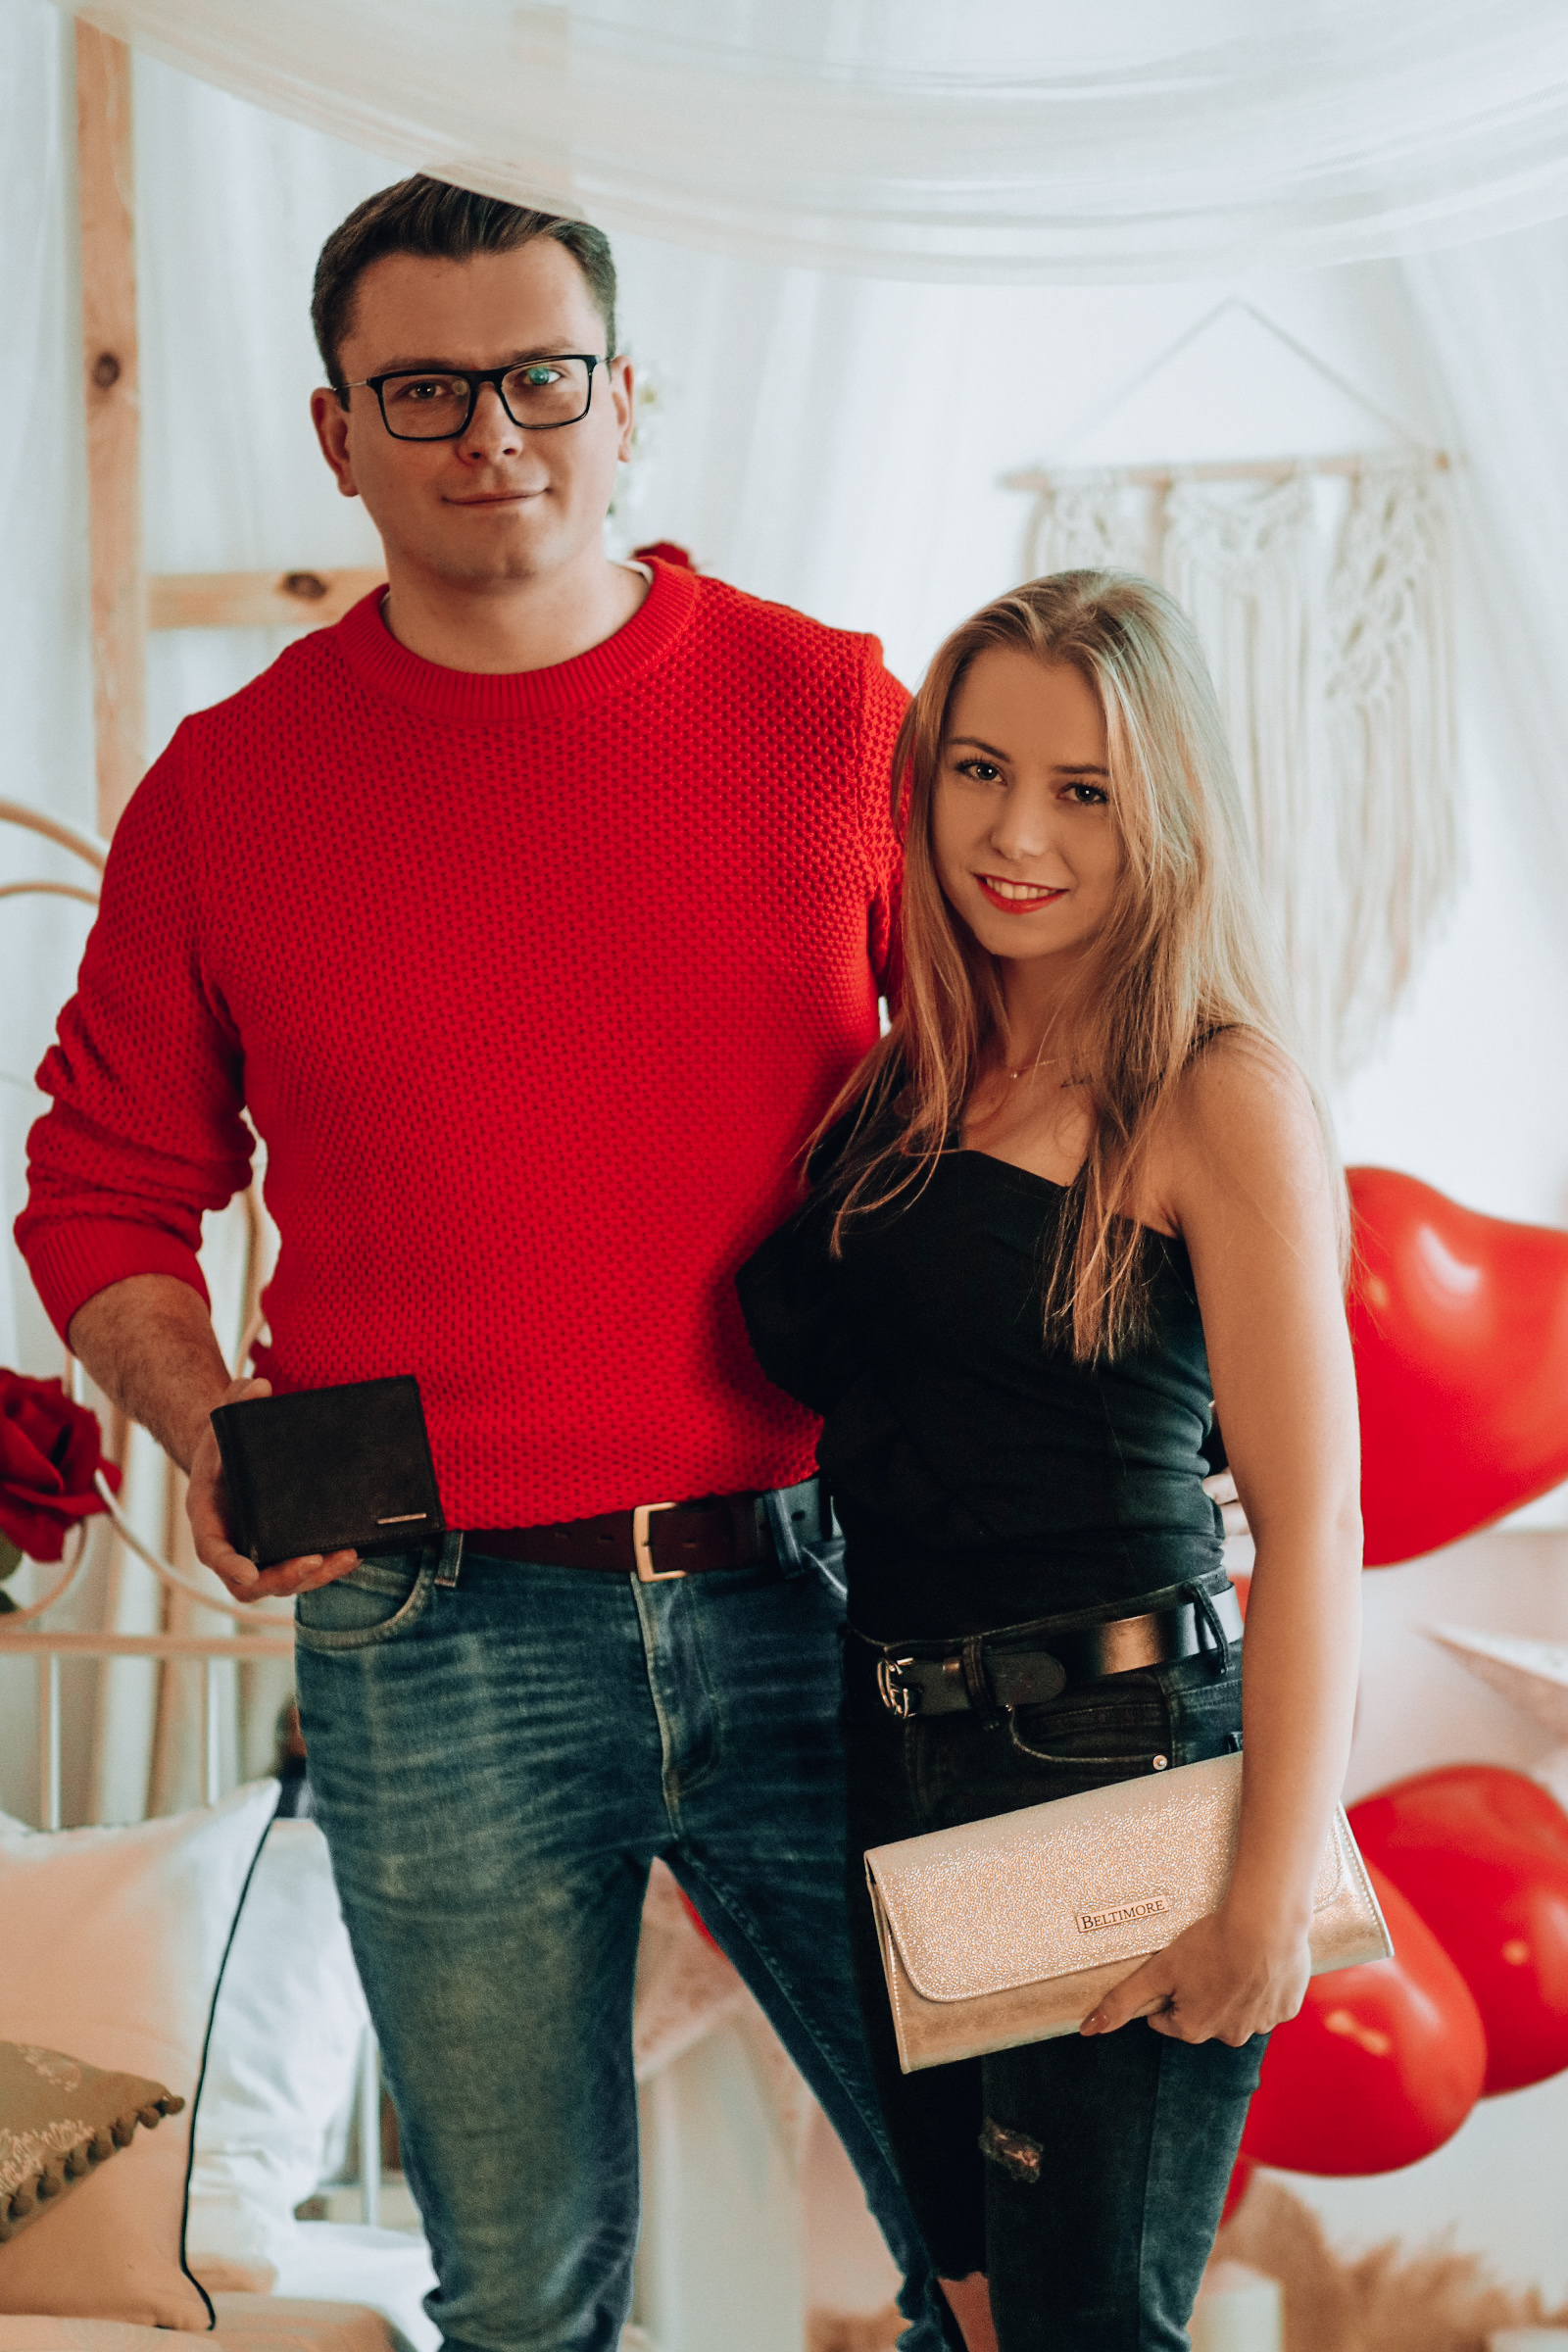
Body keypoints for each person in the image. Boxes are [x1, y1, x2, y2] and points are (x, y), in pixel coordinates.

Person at [16, 176, 954, 2352]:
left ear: (627, 402)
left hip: (837, 1585)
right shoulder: (227, 793)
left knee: (1004, 2240)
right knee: (522, 2296)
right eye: (426, 391)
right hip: (429, 1628)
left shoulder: (833, 715)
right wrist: (203, 1418)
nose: (492, 435)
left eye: (541, 378)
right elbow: (101, 1186)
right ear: (336, 432)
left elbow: (1027, 1103)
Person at [738, 571, 1362, 2352]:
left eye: (1084, 790)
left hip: (1110, 1757)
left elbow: (1315, 1521)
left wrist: (1266, 1899)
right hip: (894, 1737)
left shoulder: (1215, 1092)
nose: (1016, 836)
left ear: (1166, 810)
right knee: (972, 2301)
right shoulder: (910, 1077)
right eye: (979, 772)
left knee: (1083, 2327)